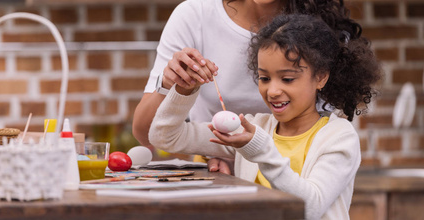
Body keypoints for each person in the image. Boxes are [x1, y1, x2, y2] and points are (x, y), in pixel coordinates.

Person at [133, 0, 360, 173]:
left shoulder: (321, 33)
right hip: (215, 176)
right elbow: (148, 134)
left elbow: (323, 139)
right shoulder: (194, 17)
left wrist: (245, 158)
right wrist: (170, 85)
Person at [149, 14, 381, 220]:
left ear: (320, 77)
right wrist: (184, 89)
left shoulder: (337, 136)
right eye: (264, 78)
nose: (272, 91)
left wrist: (257, 148)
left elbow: (307, 208)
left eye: (287, 79)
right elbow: (165, 136)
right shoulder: (255, 128)